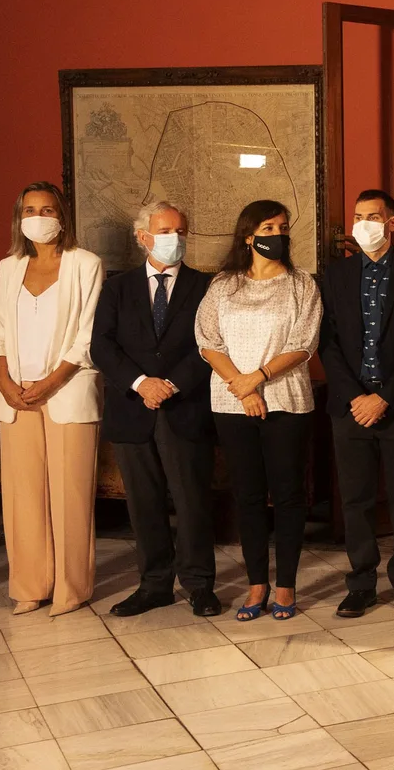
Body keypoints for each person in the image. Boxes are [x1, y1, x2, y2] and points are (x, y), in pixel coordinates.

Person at [91, 201, 221, 618]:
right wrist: (140, 383)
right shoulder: (116, 288)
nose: (175, 239)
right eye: (166, 231)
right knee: (143, 504)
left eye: (181, 231)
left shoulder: (205, 286)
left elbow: (211, 345)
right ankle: (154, 585)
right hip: (133, 407)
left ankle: (200, 584)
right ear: (143, 236)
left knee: (192, 502)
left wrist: (170, 384)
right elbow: (102, 347)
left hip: (185, 407)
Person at [196, 199, 321, 621]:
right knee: (247, 496)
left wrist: (259, 378)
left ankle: (285, 586)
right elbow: (207, 340)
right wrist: (243, 386)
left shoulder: (302, 283)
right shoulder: (223, 285)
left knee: (286, 495)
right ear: (248, 236)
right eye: (268, 228)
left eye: (283, 227)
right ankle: (256, 586)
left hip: (287, 400)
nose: (277, 235)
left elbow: (304, 343)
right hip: (231, 403)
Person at [0, 182, 104, 616]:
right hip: (15, 396)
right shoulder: (9, 267)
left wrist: (52, 382)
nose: (40, 216)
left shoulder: (85, 264)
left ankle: (71, 589)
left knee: (70, 493)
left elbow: (88, 336)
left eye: (48, 209)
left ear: (62, 216)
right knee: (23, 497)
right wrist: (2, 379)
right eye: (31, 209)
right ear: (19, 218)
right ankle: (29, 587)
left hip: (67, 391)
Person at [317, 189, 394, 619]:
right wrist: (356, 396)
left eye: (373, 216)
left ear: (393, 222)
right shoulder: (336, 276)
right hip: (349, 407)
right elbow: (327, 342)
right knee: (356, 499)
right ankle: (362, 584)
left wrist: (384, 397)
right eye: (358, 216)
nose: (364, 223)